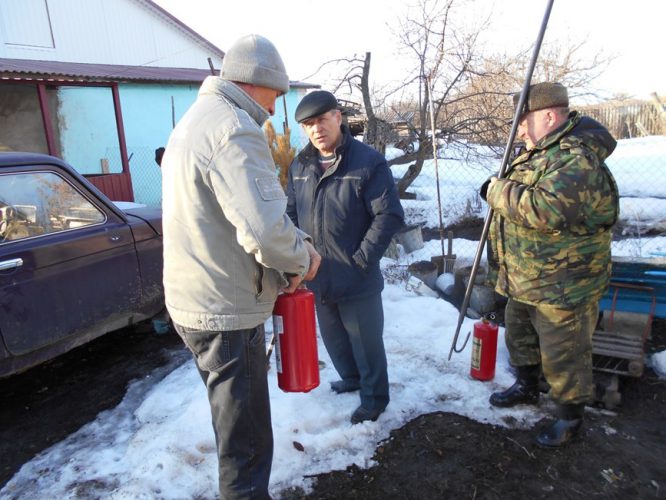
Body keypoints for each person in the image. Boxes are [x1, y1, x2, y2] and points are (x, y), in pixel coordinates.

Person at [161, 34, 321, 499]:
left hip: (194, 299)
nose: (275, 109)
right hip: (225, 311)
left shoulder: (194, 121)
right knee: (246, 446)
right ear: (257, 83)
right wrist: (302, 257)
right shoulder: (233, 128)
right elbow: (266, 231)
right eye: (275, 95)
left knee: (232, 428)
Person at [481, 82, 619, 447]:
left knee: (565, 353)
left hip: (564, 285)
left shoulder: (576, 157)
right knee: (520, 335)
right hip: (527, 279)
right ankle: (527, 386)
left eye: (522, 120)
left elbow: (546, 209)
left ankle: (569, 417)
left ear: (548, 116)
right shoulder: (538, 151)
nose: (518, 129)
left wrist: (496, 191)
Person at [286, 90, 404, 424]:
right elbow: (289, 214)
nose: (316, 129)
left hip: (357, 275)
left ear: (338, 117)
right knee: (336, 339)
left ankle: (375, 399)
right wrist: (299, 258)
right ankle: (352, 379)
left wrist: (362, 259)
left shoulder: (367, 161)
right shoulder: (300, 165)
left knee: (366, 343)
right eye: (308, 124)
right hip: (318, 275)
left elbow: (389, 216)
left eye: (322, 120)